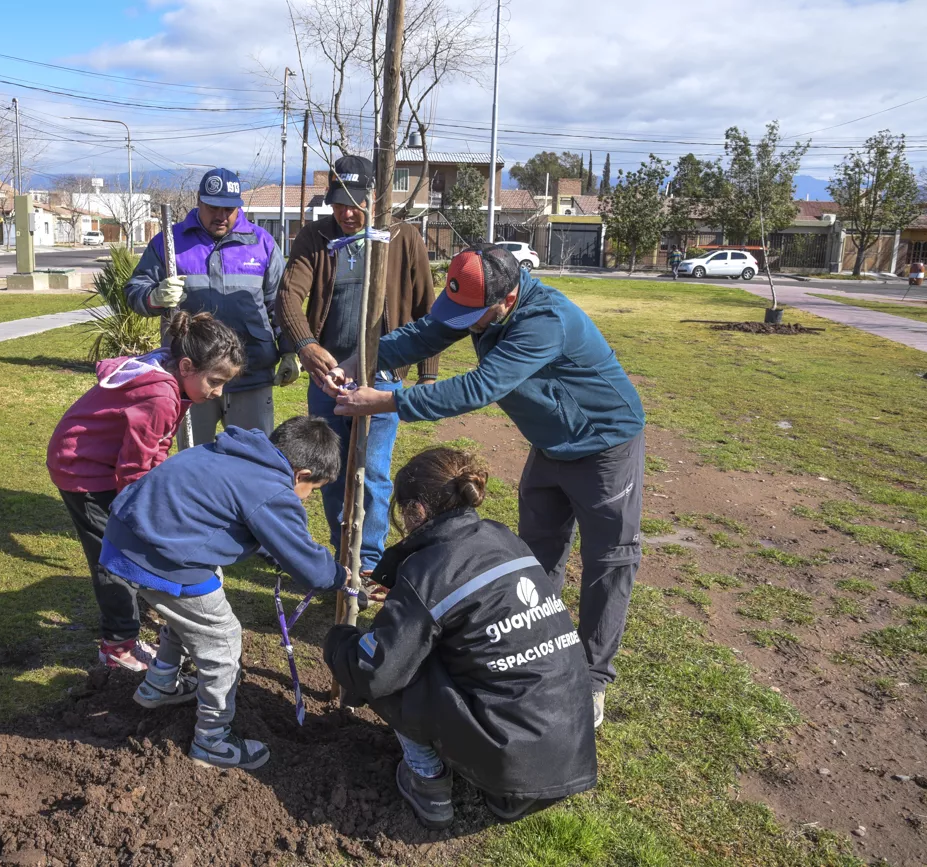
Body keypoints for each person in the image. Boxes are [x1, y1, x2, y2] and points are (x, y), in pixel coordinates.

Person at [325, 243, 646, 728]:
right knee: (535, 554)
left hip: (604, 445)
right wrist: (359, 361)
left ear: (507, 298)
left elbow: (479, 387)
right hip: (550, 444)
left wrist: (388, 400)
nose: (462, 324)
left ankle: (592, 678)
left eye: (471, 316)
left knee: (608, 564)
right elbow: (427, 333)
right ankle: (532, 645)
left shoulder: (545, 321)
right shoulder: (480, 307)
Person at [323, 447, 597, 829]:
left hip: (512, 753)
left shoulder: (430, 571)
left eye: (402, 511)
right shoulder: (502, 537)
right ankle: (509, 793)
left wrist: (340, 642)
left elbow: (376, 670)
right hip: (569, 744)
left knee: (396, 662)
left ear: (416, 511)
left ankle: (428, 783)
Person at [98, 417, 347, 770]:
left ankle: (160, 682)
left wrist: (275, 554)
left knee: (190, 614)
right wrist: (339, 576)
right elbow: (312, 569)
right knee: (223, 640)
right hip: (161, 559)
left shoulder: (233, 453)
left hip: (129, 539)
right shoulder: (272, 489)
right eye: (313, 490)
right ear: (301, 475)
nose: (307, 499)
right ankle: (212, 740)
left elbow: (237, 519)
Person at [47, 312, 245, 672]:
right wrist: (149, 516)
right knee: (115, 555)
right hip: (83, 468)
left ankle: (132, 615)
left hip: (96, 459)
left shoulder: (167, 371)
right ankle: (117, 645)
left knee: (129, 544)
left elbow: (149, 450)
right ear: (186, 365)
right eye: (215, 381)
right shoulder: (160, 396)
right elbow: (134, 472)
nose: (218, 393)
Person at [275, 155, 438, 592]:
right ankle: (341, 554)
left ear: (376, 197)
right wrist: (307, 346)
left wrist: (427, 372)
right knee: (330, 470)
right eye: (339, 203)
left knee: (374, 472)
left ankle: (368, 563)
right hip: (330, 378)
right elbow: (290, 295)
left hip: (382, 375)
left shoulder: (402, 236)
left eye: (358, 202)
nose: (348, 213)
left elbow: (425, 303)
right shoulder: (316, 236)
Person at [125, 167, 284, 446]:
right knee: (193, 459)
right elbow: (133, 290)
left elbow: (279, 305)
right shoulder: (169, 243)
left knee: (251, 460)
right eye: (213, 207)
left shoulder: (262, 243)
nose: (221, 215)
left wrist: (291, 350)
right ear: (198, 201)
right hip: (191, 376)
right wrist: (154, 298)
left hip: (252, 373)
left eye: (229, 208)